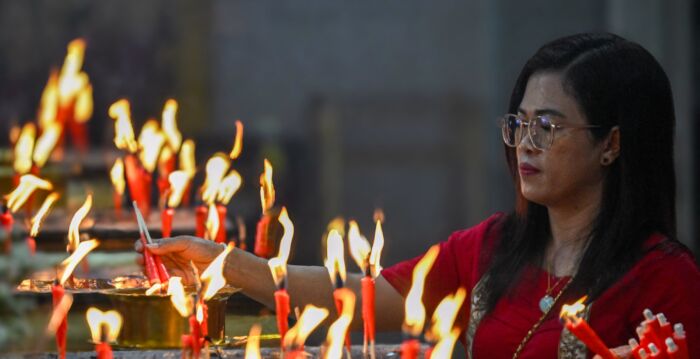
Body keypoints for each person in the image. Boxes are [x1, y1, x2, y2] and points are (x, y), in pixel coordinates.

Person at [136, 33, 700, 358]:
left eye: (547, 128)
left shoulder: (666, 281)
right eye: (519, 123)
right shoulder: (494, 248)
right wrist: (223, 264)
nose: (525, 146)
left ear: (611, 145)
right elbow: (356, 299)